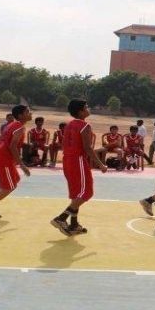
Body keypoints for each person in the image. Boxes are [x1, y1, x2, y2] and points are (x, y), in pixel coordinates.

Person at [50, 99, 107, 236]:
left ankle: (74, 224)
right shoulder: (84, 126)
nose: (89, 109)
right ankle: (61, 218)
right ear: (81, 111)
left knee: (77, 194)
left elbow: (65, 144)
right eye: (86, 107)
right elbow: (88, 148)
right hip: (78, 160)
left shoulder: (69, 125)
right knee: (87, 192)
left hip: (67, 160)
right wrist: (100, 164)